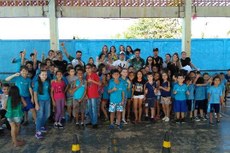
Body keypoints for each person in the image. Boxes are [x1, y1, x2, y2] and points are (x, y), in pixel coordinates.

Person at [34, 70, 50, 139]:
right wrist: (36, 104)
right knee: (39, 116)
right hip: (40, 101)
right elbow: (35, 94)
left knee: (47, 114)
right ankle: (37, 132)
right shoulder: (37, 83)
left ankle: (41, 126)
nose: (44, 76)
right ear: (39, 75)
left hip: (47, 100)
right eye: (43, 74)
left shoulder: (47, 82)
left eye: (45, 75)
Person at [85, 64, 101, 128]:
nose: (88, 69)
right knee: (89, 109)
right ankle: (92, 121)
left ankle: (95, 123)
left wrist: (92, 81)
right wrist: (86, 94)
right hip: (88, 95)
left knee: (94, 109)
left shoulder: (94, 75)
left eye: (89, 68)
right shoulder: (86, 76)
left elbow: (99, 84)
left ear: (91, 68)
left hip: (94, 94)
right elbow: (85, 86)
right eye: (86, 68)